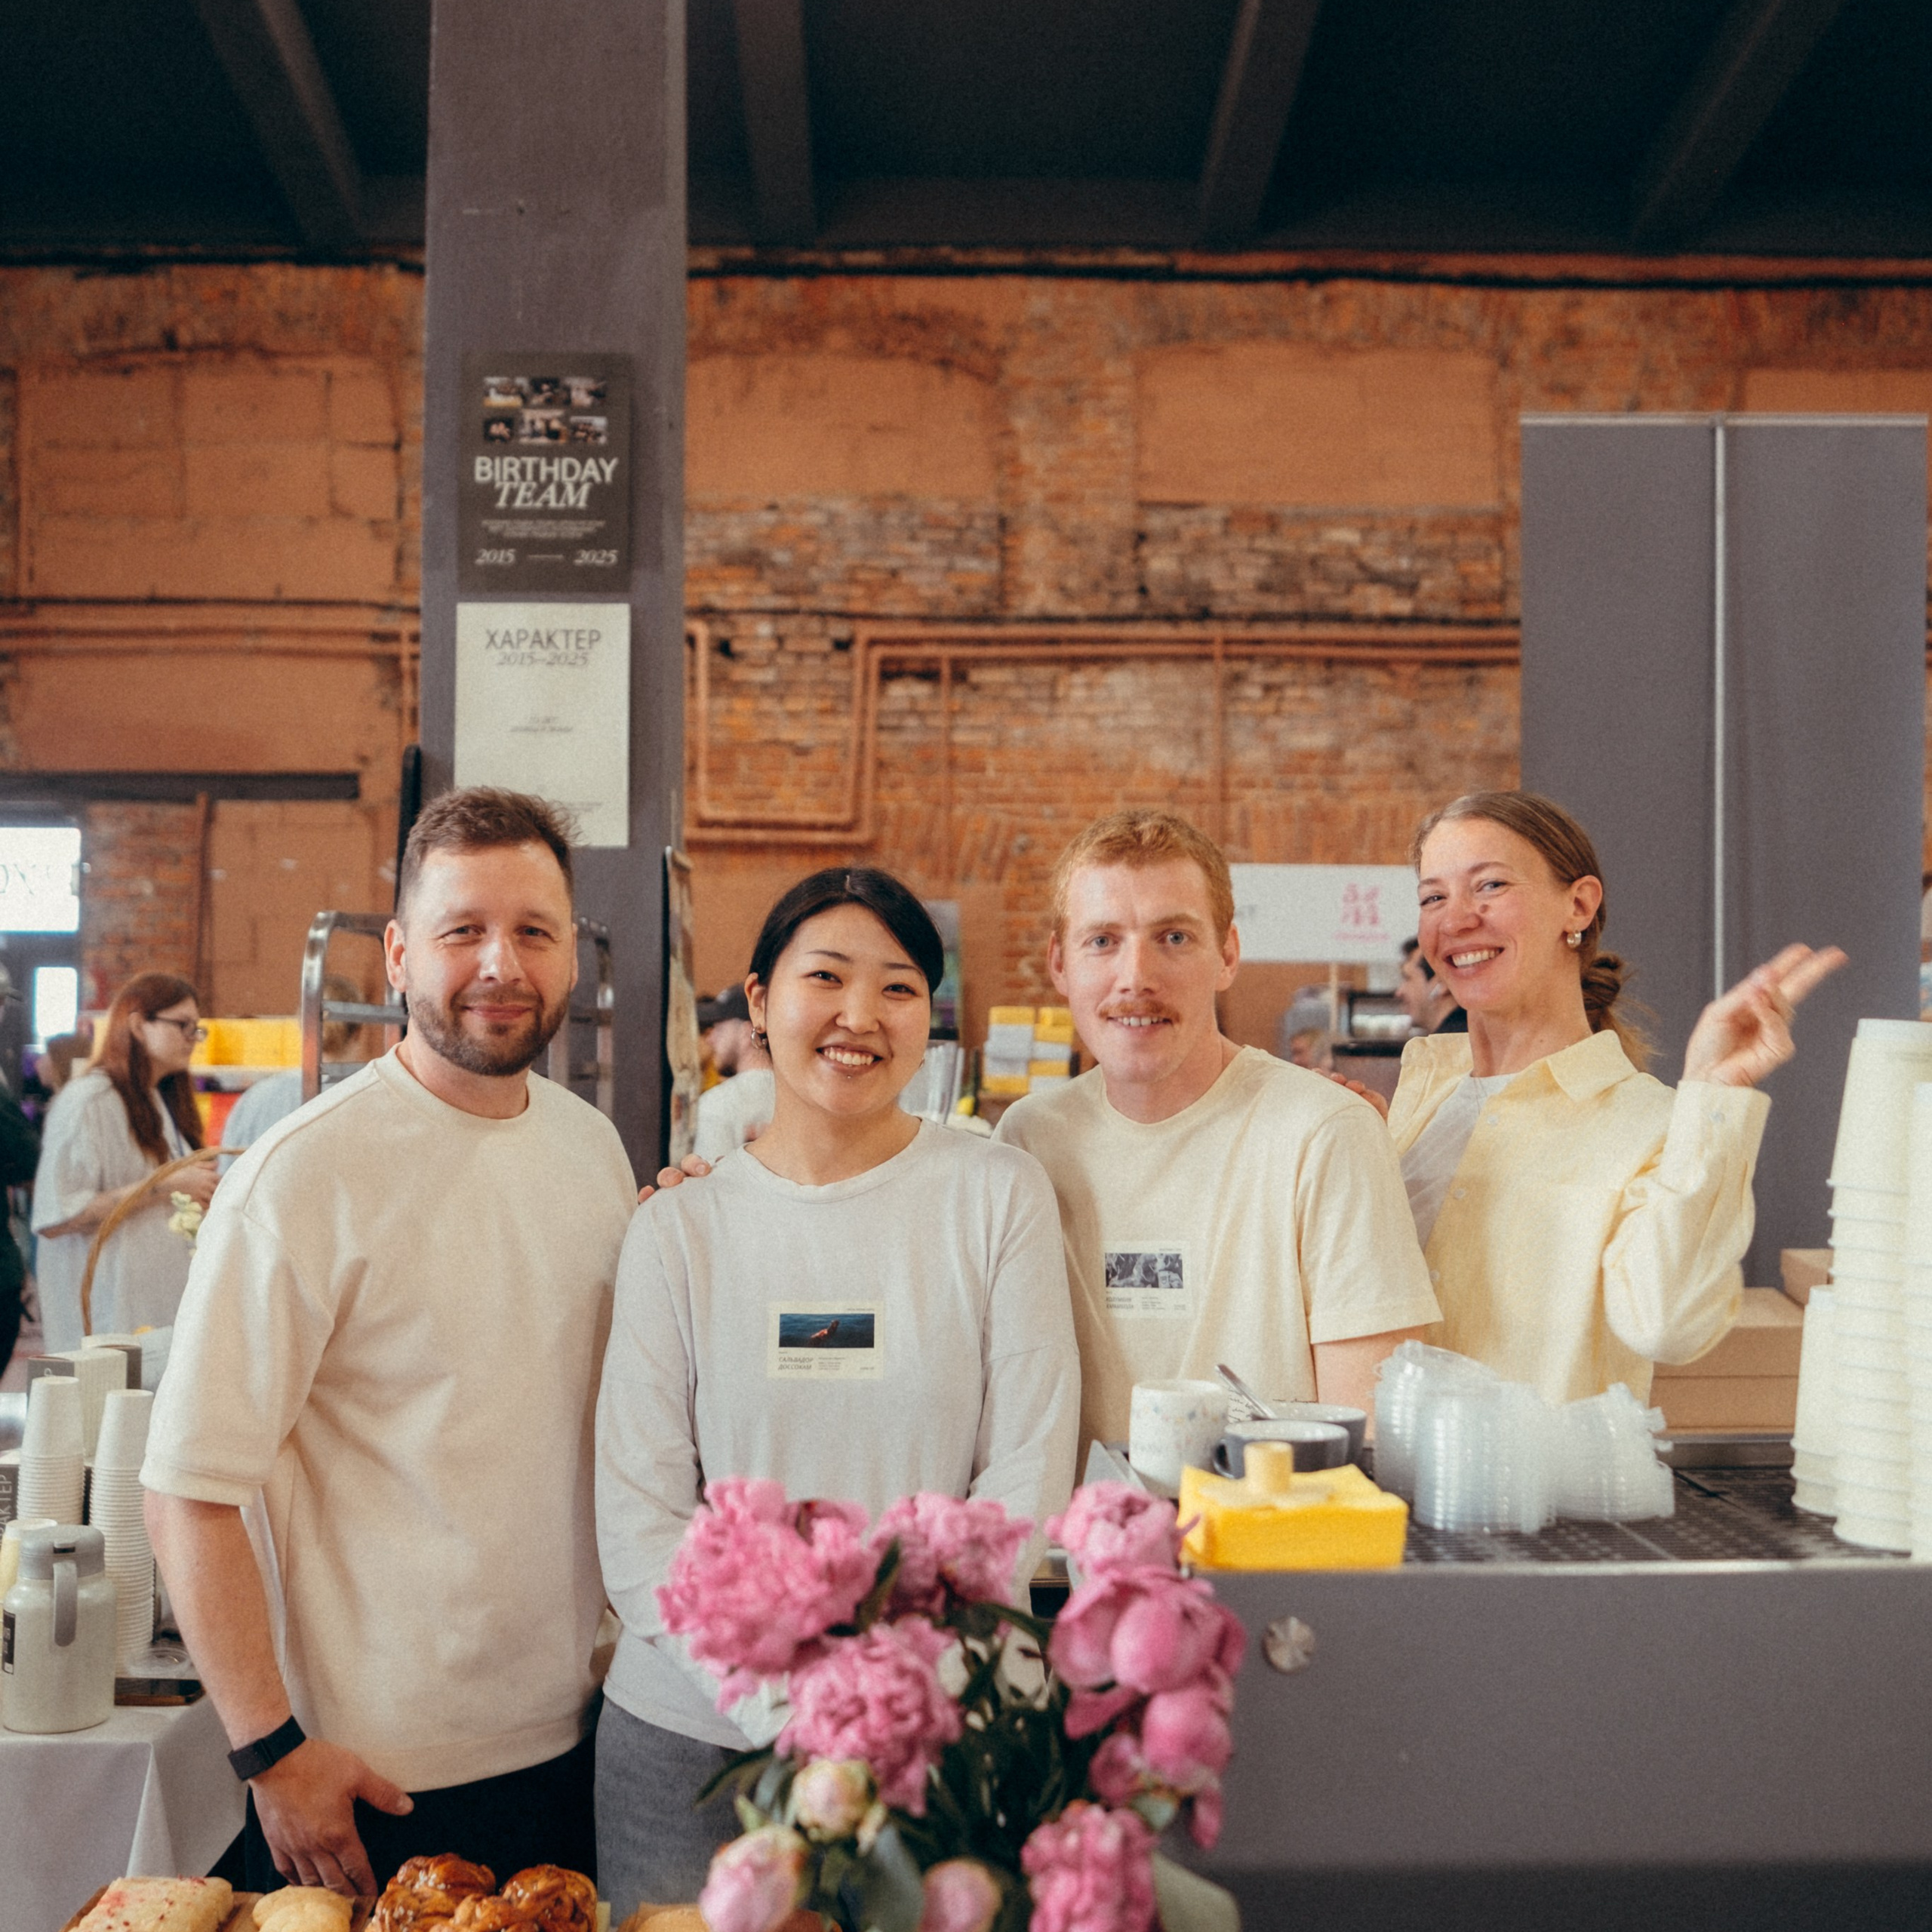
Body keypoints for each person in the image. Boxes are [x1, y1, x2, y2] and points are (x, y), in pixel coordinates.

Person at [143, 788, 637, 1899]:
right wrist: (272, 1753)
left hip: (571, 1744)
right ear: (403, 955)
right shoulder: (303, 1175)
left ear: (571, 959)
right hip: (375, 1782)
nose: (500, 963)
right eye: (464, 931)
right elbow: (186, 1491)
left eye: (534, 932)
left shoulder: (593, 1153)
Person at [596, 866, 1079, 1915]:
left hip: (937, 1736)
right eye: (827, 977)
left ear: (930, 1020)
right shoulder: (678, 1229)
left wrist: (898, 1699)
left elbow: (1027, 1468)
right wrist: (793, 1707)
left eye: (900, 988)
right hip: (692, 1747)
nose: (860, 1016)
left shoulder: (996, 1196)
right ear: (760, 1000)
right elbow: (639, 1522)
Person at [993, 809, 1439, 1463]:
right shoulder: (1029, 1139)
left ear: (1227, 954)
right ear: (1060, 964)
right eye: (1102, 941)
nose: (1135, 976)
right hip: (1074, 1559)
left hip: (1271, 1552)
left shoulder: (1325, 1133)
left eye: (1173, 937)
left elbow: (1368, 1437)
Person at [1392, 789, 1844, 1406]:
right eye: (1433, 897)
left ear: (1577, 905)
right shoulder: (1416, 1101)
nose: (1457, 918)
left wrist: (1712, 1096)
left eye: (1490, 885)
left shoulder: (1654, 1126)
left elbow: (1668, 1326)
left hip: (1539, 1498)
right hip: (1374, 1491)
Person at [29, 974, 218, 1350]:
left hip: (155, 1311)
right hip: (105, 1315)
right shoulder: (89, 1100)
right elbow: (57, 1217)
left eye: (198, 1029)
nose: (192, 1039)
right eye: (182, 1025)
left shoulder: (158, 1098)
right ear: (136, 1024)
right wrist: (165, 1185)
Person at [220, 977, 370, 1168]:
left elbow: (228, 1176)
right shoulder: (370, 1098)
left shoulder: (257, 1097)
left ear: (301, 1025)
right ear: (359, 1032)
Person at [691, 983, 774, 1159]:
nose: (712, 1038)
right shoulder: (803, 1097)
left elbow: (713, 1185)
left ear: (747, 1032)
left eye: (720, 1028)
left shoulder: (717, 1104)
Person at [1396, 937, 1466, 1035]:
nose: (1399, 992)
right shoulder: (1472, 1037)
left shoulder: (1449, 1046)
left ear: (1442, 984)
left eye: (1408, 978)